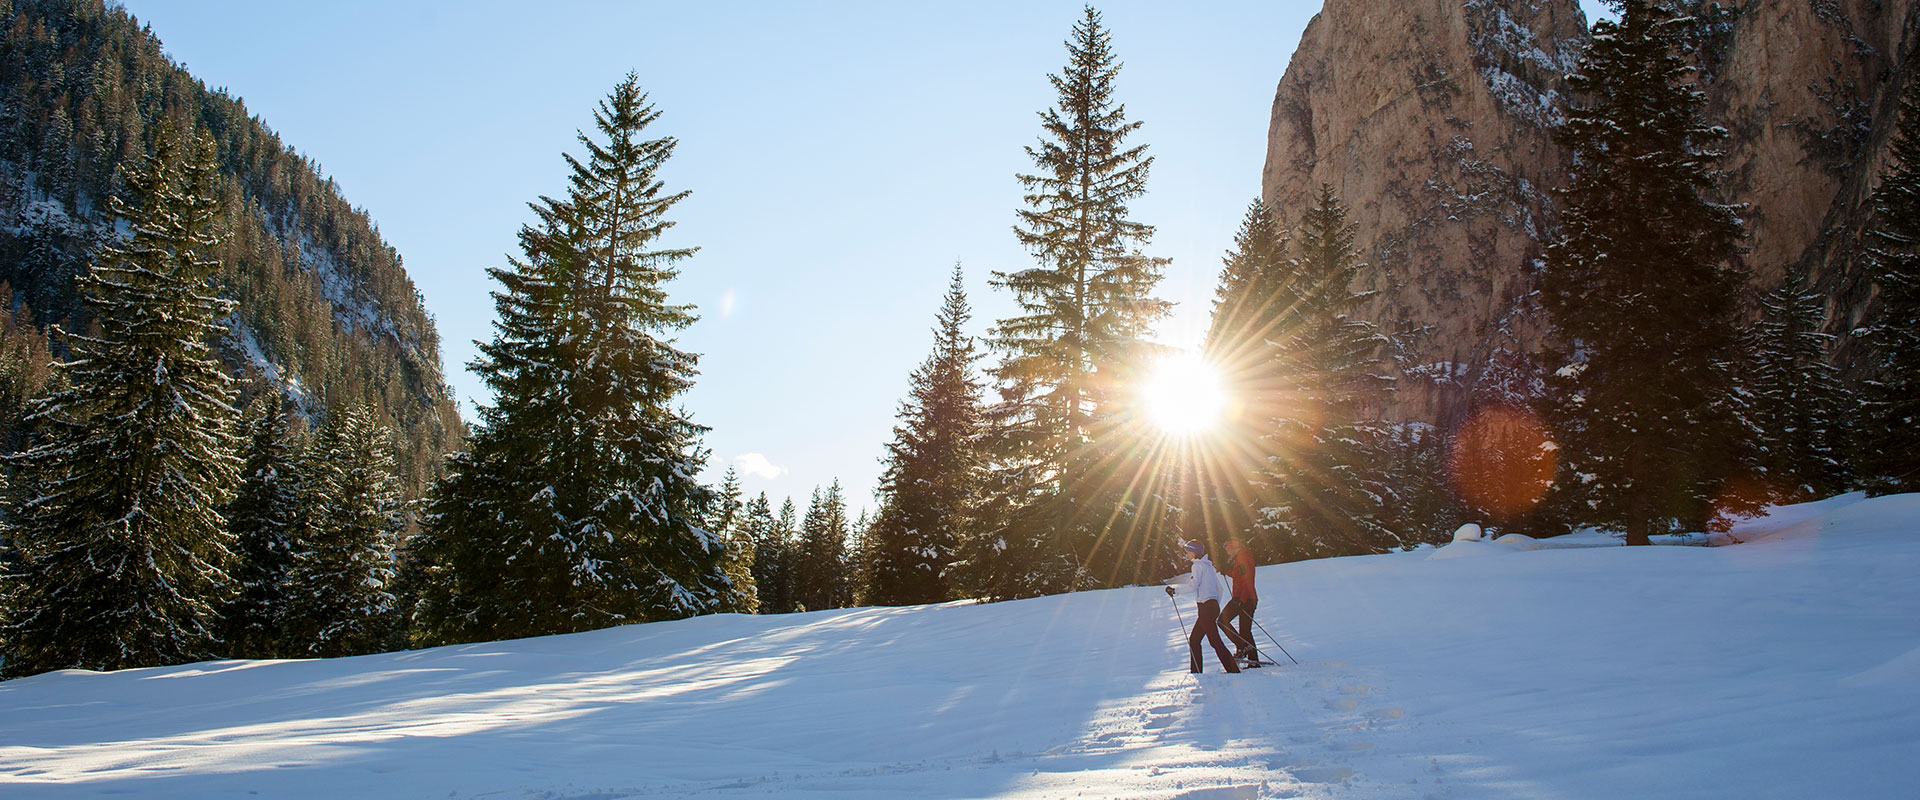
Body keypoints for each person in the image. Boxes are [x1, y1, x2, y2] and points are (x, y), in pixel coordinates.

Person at [1166, 540, 1240, 674]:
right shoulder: (1208, 566)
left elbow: (1193, 586)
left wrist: (1175, 590)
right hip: (1210, 607)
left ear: (1194, 552)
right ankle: (1196, 672)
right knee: (1195, 640)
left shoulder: (1197, 566)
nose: (1187, 553)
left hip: (1205, 608)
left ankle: (1232, 670)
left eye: (1188, 551)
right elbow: (1220, 589)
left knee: (1214, 641)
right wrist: (1214, 604)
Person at [1217, 538, 1259, 666]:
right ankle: (1253, 660)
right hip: (1249, 599)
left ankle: (1242, 647)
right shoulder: (1243, 558)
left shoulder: (1242, 559)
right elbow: (1240, 576)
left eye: (1229, 550)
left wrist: (1241, 600)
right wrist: (1227, 572)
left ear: (1235, 548)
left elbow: (1247, 581)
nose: (1228, 553)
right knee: (1245, 631)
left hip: (1243, 599)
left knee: (1222, 621)